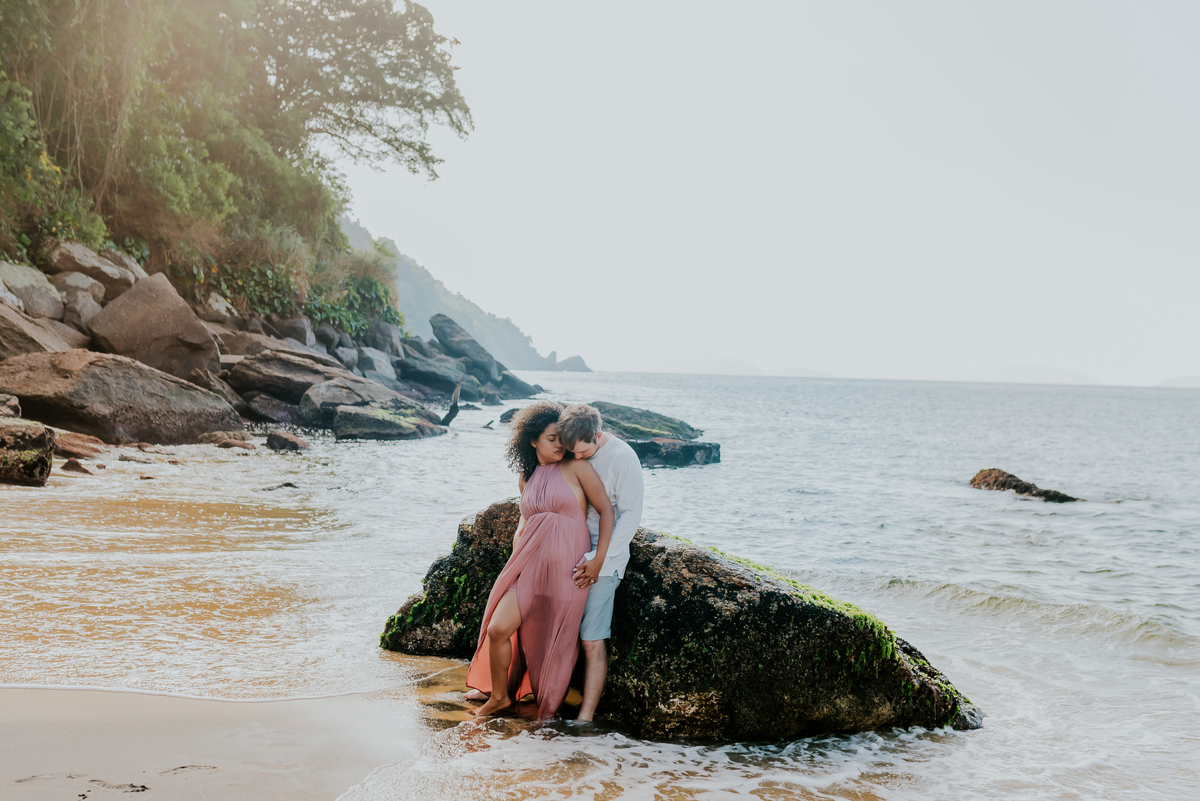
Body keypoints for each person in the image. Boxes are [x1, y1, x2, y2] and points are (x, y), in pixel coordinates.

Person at [466, 401, 615, 719]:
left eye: (562, 438)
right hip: (527, 566)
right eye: (552, 438)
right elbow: (526, 520)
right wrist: (517, 549)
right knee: (498, 629)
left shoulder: (577, 469)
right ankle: (500, 697)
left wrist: (599, 559)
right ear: (533, 440)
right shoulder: (526, 477)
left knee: (554, 643)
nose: (560, 444)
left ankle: (546, 713)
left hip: (568, 571)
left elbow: (607, 511)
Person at [558, 403, 644, 724]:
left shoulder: (623, 458)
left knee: (591, 640)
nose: (577, 457)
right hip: (569, 553)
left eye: (583, 451)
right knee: (558, 631)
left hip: (603, 562)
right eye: (572, 452)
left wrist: (598, 559)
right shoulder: (571, 450)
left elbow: (630, 516)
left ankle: (585, 718)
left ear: (597, 435)